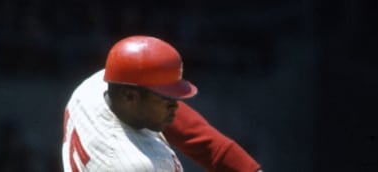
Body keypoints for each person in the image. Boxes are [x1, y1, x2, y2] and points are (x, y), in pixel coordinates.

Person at [62, 35, 262, 171]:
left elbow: (194, 134)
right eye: (166, 98)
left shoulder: (93, 88)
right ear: (130, 96)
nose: (175, 105)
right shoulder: (139, 163)